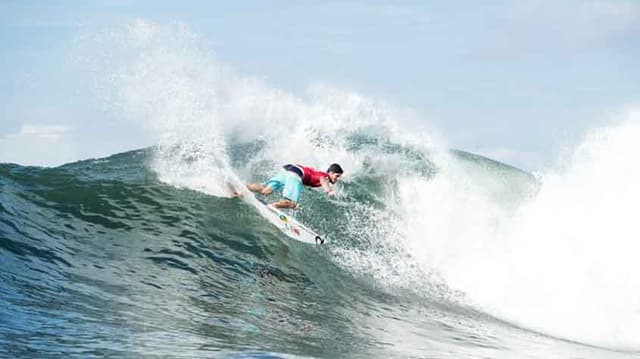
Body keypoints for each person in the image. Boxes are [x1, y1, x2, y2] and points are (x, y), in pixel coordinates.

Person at [245, 163, 343, 209]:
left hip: (289, 168)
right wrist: (329, 190)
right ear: (330, 172)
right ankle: (270, 207)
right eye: (336, 176)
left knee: (266, 191)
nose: (337, 178)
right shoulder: (324, 176)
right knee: (291, 203)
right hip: (296, 174)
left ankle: (244, 187)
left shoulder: (319, 173)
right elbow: (323, 181)